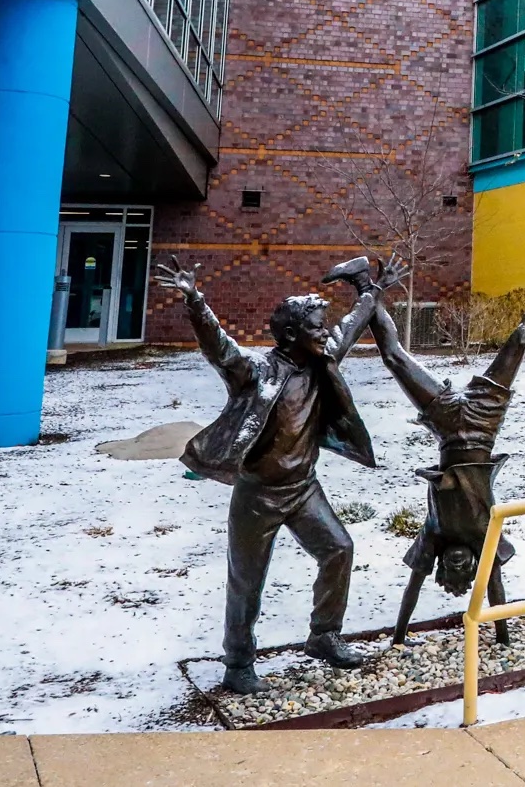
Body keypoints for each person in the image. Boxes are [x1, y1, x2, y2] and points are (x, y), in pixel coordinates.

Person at [152, 254, 388, 695]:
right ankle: (238, 664)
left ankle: (323, 636)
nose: (326, 332)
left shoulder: (321, 361)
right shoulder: (258, 373)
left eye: (325, 327)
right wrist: (195, 302)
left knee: (338, 549)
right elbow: (220, 349)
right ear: (293, 334)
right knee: (247, 582)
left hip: (303, 490)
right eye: (318, 327)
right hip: (258, 495)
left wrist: (372, 291)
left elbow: (351, 327)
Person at [357, 252, 525, 646]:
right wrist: (501, 637)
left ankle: (366, 285)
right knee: (519, 340)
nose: (459, 565)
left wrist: (398, 637)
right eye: (466, 571)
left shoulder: (433, 536)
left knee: (395, 358)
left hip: (448, 427)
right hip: (484, 423)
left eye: (454, 570)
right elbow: (495, 587)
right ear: (476, 569)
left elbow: (412, 587)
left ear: (442, 569)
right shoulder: (486, 540)